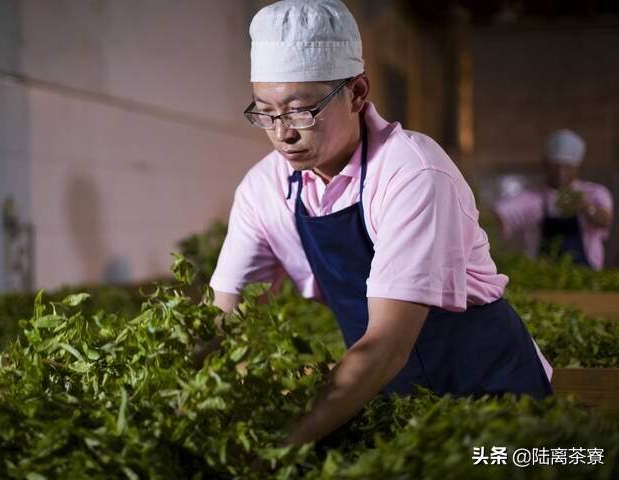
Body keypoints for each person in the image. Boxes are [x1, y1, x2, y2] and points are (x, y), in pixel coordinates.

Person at [208, 0, 553, 446]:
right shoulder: (265, 189)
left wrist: (284, 444)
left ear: (357, 92)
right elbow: (226, 322)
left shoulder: (412, 172)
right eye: (265, 113)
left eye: (300, 111)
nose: (283, 133)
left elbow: (387, 343)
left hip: (493, 397)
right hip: (392, 399)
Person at [493, 129, 613, 270]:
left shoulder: (594, 193)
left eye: (567, 167)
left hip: (587, 278)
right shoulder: (532, 199)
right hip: (542, 278)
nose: (560, 172)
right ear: (544, 165)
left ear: (577, 167)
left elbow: (605, 218)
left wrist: (587, 209)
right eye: (555, 166)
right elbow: (499, 215)